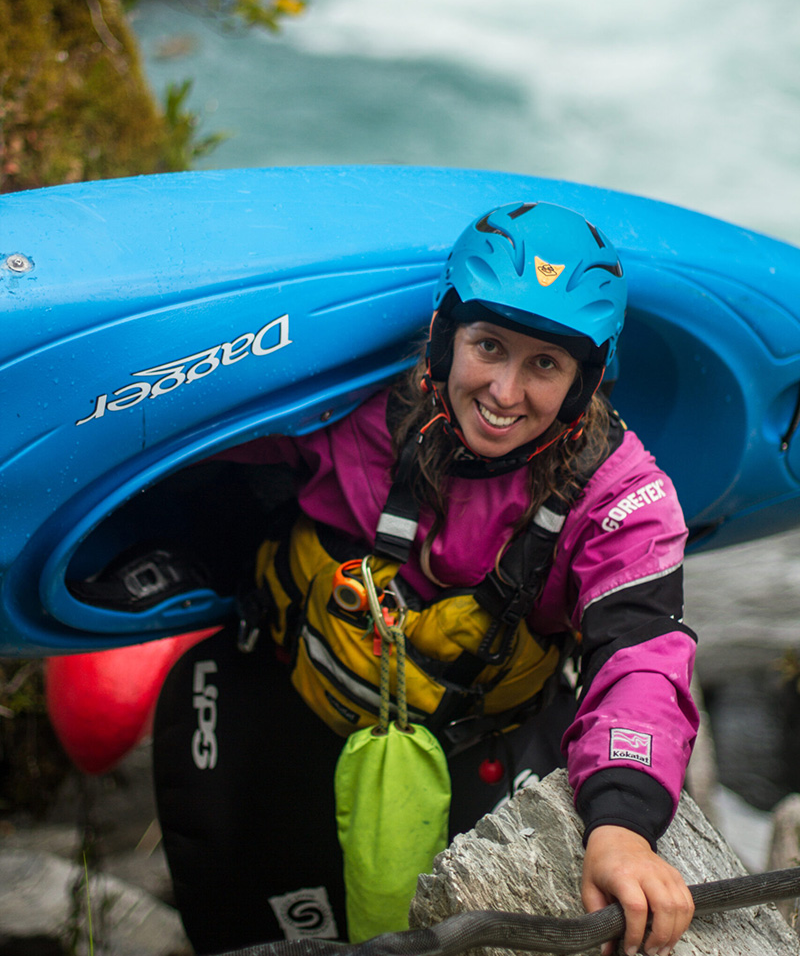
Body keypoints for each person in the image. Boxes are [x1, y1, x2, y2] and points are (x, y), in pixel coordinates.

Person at [152, 201, 699, 956]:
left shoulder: (620, 497)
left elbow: (642, 656)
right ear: (444, 335)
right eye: (488, 346)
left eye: (545, 364)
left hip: (478, 751)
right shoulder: (347, 407)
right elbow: (184, 445)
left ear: (587, 381)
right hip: (278, 707)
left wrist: (623, 824)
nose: (504, 392)